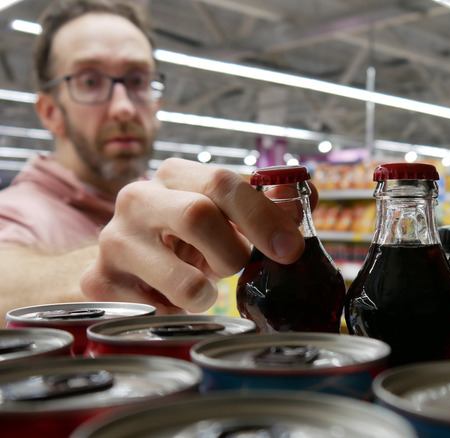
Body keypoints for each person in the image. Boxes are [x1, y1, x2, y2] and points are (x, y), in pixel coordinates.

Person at [0, 0, 311, 324]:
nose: (123, 107)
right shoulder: (14, 213)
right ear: (51, 112)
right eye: (90, 82)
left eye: (137, 81)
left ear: (157, 103)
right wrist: (104, 267)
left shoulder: (177, 209)